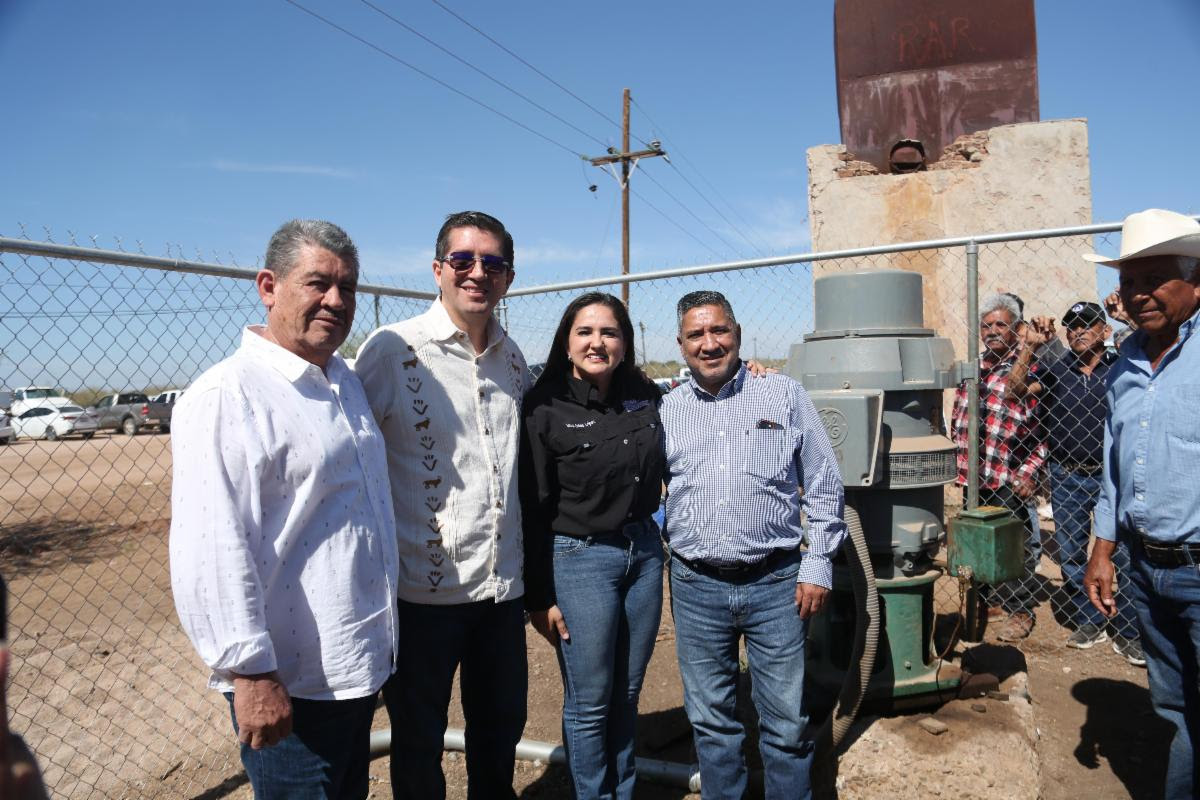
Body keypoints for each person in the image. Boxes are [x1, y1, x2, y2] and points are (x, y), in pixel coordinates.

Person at [169, 220, 399, 799]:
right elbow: (213, 546)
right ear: (268, 286)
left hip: (351, 667)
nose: (336, 300)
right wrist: (248, 672)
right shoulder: (229, 395)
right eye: (318, 282)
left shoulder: (341, 381)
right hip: (288, 684)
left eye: (347, 287)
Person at [354, 211, 529, 800]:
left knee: (499, 734)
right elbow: (348, 450)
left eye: (492, 262)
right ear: (438, 270)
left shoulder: (513, 360)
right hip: (421, 598)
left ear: (508, 277)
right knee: (418, 743)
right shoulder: (391, 351)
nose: (477, 272)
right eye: (463, 259)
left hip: (502, 592)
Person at [660, 290, 845, 800]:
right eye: (696, 334)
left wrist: (818, 564)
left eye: (719, 330)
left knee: (785, 726)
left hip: (777, 584)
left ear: (738, 336)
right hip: (696, 587)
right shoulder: (667, 409)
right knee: (713, 724)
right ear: (681, 345)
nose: (709, 342)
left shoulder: (783, 394)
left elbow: (826, 483)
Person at [519, 292, 665, 799]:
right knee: (590, 701)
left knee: (627, 693)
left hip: (644, 555)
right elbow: (533, 507)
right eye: (585, 332)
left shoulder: (645, 394)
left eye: (609, 332)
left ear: (624, 342)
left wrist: (749, 372)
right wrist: (539, 596)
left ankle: (621, 791)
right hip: (580, 559)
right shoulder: (543, 406)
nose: (597, 342)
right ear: (566, 340)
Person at [1083, 208, 1200, 799]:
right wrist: (1102, 549)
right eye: (1129, 281)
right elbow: (1113, 464)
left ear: (1197, 280)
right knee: (1175, 708)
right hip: (1147, 570)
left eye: (1155, 277)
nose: (1138, 293)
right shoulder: (1126, 360)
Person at [1007, 302, 1144, 665]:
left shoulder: (1121, 365)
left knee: (1124, 554)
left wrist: (1128, 319)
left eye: (1087, 325)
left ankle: (1128, 630)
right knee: (1070, 554)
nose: (1078, 332)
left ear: (1103, 331)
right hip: (1066, 475)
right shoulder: (1057, 369)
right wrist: (1030, 346)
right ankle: (1091, 619)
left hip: (1112, 474)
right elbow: (1015, 390)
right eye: (1072, 327)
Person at [951, 293, 1047, 641]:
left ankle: (1020, 608)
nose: (992, 331)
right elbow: (958, 418)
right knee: (971, 543)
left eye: (1001, 325)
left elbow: (1043, 432)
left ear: (1017, 329)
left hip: (1006, 475)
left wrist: (1029, 472)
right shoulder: (972, 368)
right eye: (987, 326)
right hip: (972, 476)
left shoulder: (1029, 369)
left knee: (1012, 545)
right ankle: (979, 602)